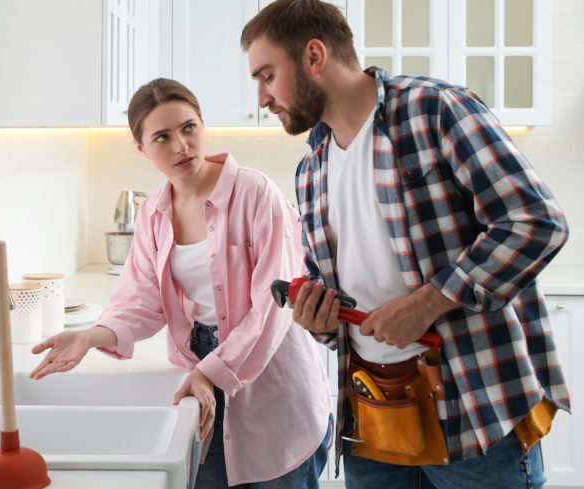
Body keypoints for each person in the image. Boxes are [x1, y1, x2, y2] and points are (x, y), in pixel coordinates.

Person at [240, 1, 570, 488]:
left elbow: (536, 220)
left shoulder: (434, 109)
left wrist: (429, 303)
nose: (263, 97)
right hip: (373, 420)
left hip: (476, 411)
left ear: (314, 56)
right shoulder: (312, 168)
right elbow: (345, 298)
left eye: (267, 75)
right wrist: (321, 321)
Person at [30, 78, 332, 488]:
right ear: (141, 148)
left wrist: (213, 371)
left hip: (271, 380)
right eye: (162, 137)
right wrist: (89, 337)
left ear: (203, 125)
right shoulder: (153, 213)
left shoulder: (257, 194)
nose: (181, 146)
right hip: (197, 376)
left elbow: (272, 308)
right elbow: (140, 298)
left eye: (189, 127)